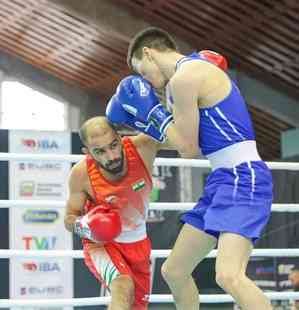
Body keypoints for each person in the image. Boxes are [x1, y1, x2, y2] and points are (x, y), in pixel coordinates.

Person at [108, 27, 273, 309]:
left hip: (244, 178)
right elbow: (184, 138)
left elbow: (187, 148)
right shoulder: (178, 85)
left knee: (229, 275)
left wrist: (154, 116)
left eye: (143, 71)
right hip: (222, 181)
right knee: (173, 271)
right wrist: (139, 134)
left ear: (148, 53)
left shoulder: (186, 78)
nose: (146, 80)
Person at [64, 116, 167, 310]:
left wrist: (153, 112)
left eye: (113, 145)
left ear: (120, 138)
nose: (111, 156)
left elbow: (186, 142)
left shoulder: (142, 147)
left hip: (138, 244)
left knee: (136, 306)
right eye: (100, 151)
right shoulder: (81, 174)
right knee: (122, 285)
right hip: (102, 245)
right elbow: (69, 219)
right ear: (88, 153)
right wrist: (87, 227)